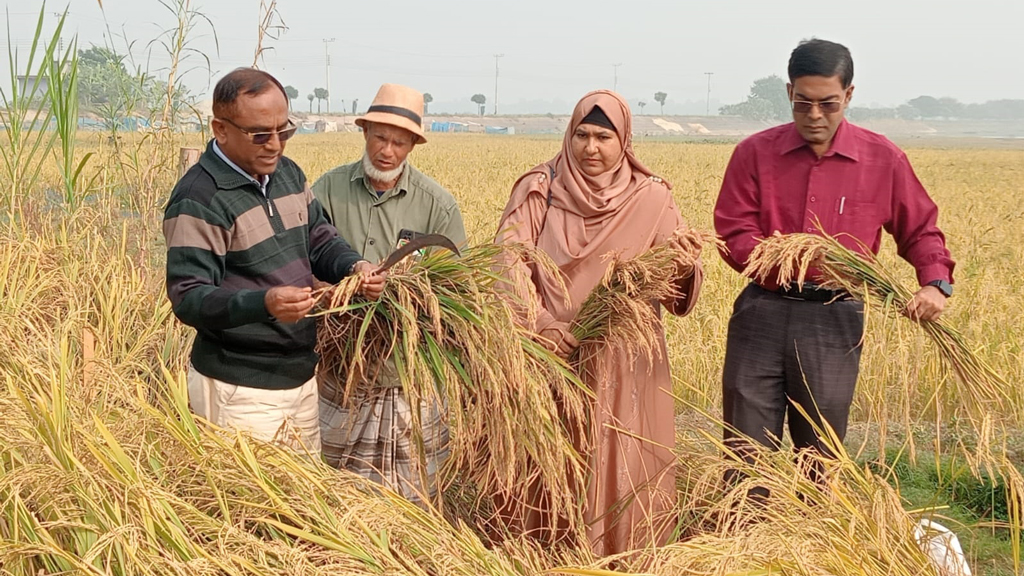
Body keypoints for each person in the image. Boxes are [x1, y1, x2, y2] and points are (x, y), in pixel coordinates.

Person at [714, 39, 955, 477]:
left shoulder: (883, 159)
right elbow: (733, 232)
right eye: (802, 104)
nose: (814, 116)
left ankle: (817, 539)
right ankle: (743, 537)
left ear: (848, 95)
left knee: (820, 454)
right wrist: (785, 257)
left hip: (834, 318)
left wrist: (935, 283)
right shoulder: (754, 153)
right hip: (761, 313)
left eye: (828, 104)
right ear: (789, 93)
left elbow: (920, 229)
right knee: (745, 450)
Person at [495, 90, 703, 555]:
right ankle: (539, 555)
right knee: (548, 458)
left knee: (623, 455)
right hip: (549, 353)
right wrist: (542, 323)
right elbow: (507, 263)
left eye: (603, 137)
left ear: (623, 141)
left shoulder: (652, 197)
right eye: (581, 135)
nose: (590, 147)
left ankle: (620, 554)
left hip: (623, 356)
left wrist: (685, 265)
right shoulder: (538, 188)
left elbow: (671, 284)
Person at [163, 68, 385, 452]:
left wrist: (354, 267)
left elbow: (318, 237)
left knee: (301, 504)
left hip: (299, 379)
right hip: (240, 391)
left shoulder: (286, 173)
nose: (275, 145)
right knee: (248, 508)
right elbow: (189, 297)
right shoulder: (200, 198)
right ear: (221, 130)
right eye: (260, 135)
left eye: (285, 131)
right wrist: (264, 304)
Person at [312, 83, 466, 505]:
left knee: (409, 499)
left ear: (414, 145)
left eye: (400, 142)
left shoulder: (438, 206)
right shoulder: (326, 191)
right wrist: (328, 292)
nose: (387, 150)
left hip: (405, 376)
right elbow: (298, 260)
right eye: (380, 136)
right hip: (337, 370)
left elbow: (455, 291)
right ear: (364, 133)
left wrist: (411, 303)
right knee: (328, 487)